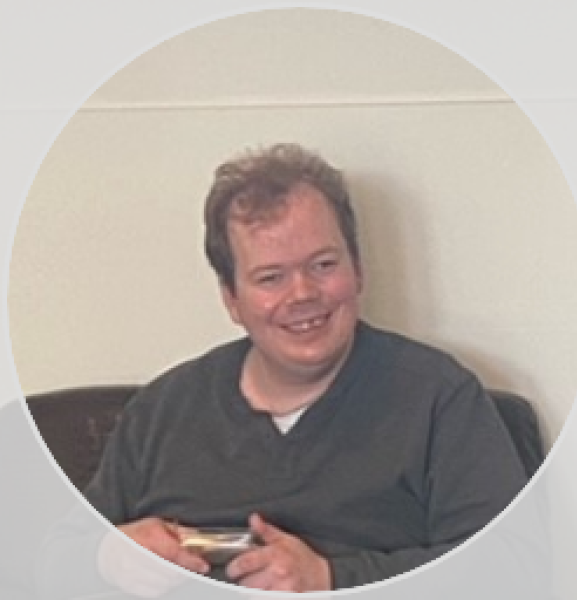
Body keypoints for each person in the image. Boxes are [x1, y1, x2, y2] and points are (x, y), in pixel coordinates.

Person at [41, 143, 530, 595]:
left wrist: (332, 579)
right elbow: (49, 565)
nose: (302, 294)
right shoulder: (164, 409)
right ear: (232, 299)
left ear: (358, 269)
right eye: (270, 277)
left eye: (323, 265)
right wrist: (106, 556)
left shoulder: (437, 398)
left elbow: (510, 572)